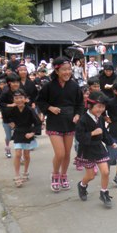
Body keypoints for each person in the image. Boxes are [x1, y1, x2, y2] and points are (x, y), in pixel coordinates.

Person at [37, 57, 84, 192]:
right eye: (64, 69)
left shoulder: (74, 86)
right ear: (57, 71)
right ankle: (55, 174)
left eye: (69, 69)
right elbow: (40, 101)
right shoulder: (48, 86)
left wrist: (77, 115)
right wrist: (50, 108)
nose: (67, 72)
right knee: (60, 153)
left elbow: (80, 104)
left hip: (70, 122)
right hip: (54, 122)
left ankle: (64, 175)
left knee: (67, 153)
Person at [75, 91, 117, 208]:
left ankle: (104, 193)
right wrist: (92, 133)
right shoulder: (83, 120)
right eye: (98, 106)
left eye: (103, 107)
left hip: (99, 148)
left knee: (105, 171)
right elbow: (79, 137)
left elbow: (104, 134)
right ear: (89, 105)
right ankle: (82, 185)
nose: (101, 109)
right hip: (86, 150)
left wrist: (111, 142)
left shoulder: (101, 119)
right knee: (91, 176)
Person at [4, 89, 42, 187]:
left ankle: (25, 171)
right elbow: (5, 117)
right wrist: (10, 123)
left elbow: (38, 123)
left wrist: (32, 133)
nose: (19, 100)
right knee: (17, 154)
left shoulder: (30, 110)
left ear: (25, 99)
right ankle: (17, 175)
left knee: (26, 155)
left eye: (21, 98)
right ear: (13, 100)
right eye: (16, 98)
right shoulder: (11, 110)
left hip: (28, 133)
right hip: (18, 133)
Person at [0, 74, 21, 159]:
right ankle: (7, 148)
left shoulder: (20, 90)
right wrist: (10, 105)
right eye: (13, 82)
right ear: (9, 83)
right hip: (7, 117)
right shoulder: (5, 92)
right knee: (9, 136)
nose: (16, 84)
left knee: (19, 135)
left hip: (17, 117)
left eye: (17, 82)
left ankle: (19, 154)